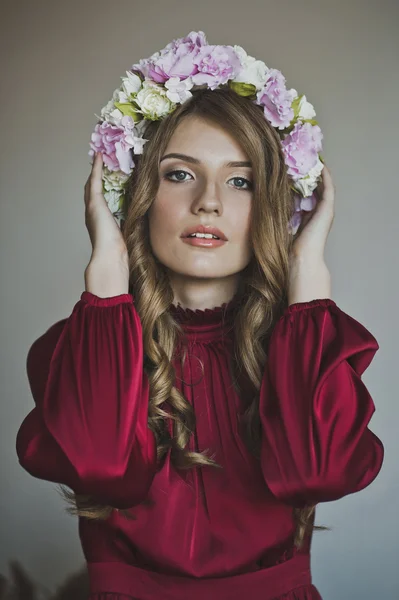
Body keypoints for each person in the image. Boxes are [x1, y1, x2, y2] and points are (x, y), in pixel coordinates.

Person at [16, 35, 384, 600]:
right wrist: (109, 271)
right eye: (179, 174)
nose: (209, 201)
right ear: (138, 191)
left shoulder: (299, 348)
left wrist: (308, 279)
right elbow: (100, 470)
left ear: (276, 205)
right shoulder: (89, 344)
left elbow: (319, 474)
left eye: (241, 181)